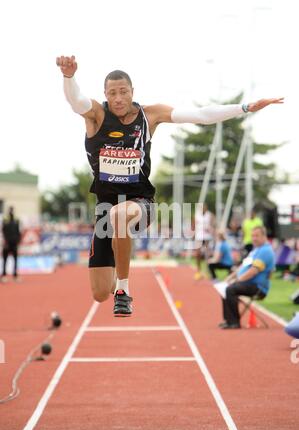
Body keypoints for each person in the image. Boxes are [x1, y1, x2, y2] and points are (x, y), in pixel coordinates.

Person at [56, 54, 283, 317]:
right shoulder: (96, 115)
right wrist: (69, 76)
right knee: (98, 293)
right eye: (112, 93)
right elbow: (76, 101)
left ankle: (123, 291)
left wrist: (245, 107)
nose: (118, 98)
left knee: (120, 216)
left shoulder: (150, 115)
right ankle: (116, 277)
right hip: (105, 209)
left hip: (140, 203)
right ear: (105, 94)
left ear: (132, 92)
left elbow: (201, 115)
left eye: (123, 92)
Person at [219, 226, 275, 329]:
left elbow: (253, 272)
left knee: (230, 289)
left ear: (264, 236)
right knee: (225, 287)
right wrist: (229, 278)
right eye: (252, 236)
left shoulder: (265, 251)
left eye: (257, 236)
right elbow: (243, 267)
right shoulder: (256, 250)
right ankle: (229, 320)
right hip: (248, 284)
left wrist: (236, 281)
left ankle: (234, 322)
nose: (254, 238)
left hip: (258, 287)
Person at [194, 203, 216, 280]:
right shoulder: (197, 215)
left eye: (204, 207)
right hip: (199, 236)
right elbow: (194, 225)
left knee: (207, 254)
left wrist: (211, 228)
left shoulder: (209, 215)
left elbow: (214, 223)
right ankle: (198, 271)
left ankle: (207, 271)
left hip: (207, 237)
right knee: (197, 254)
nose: (203, 208)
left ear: (206, 208)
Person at [1, 207, 21, 282]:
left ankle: (15, 275)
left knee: (15, 260)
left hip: (14, 243)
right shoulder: (5, 220)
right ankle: (3, 276)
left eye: (12, 210)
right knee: (5, 260)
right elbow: (3, 232)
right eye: (10, 210)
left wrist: (18, 241)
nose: (11, 212)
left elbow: (19, 232)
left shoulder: (17, 221)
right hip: (6, 243)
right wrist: (4, 242)